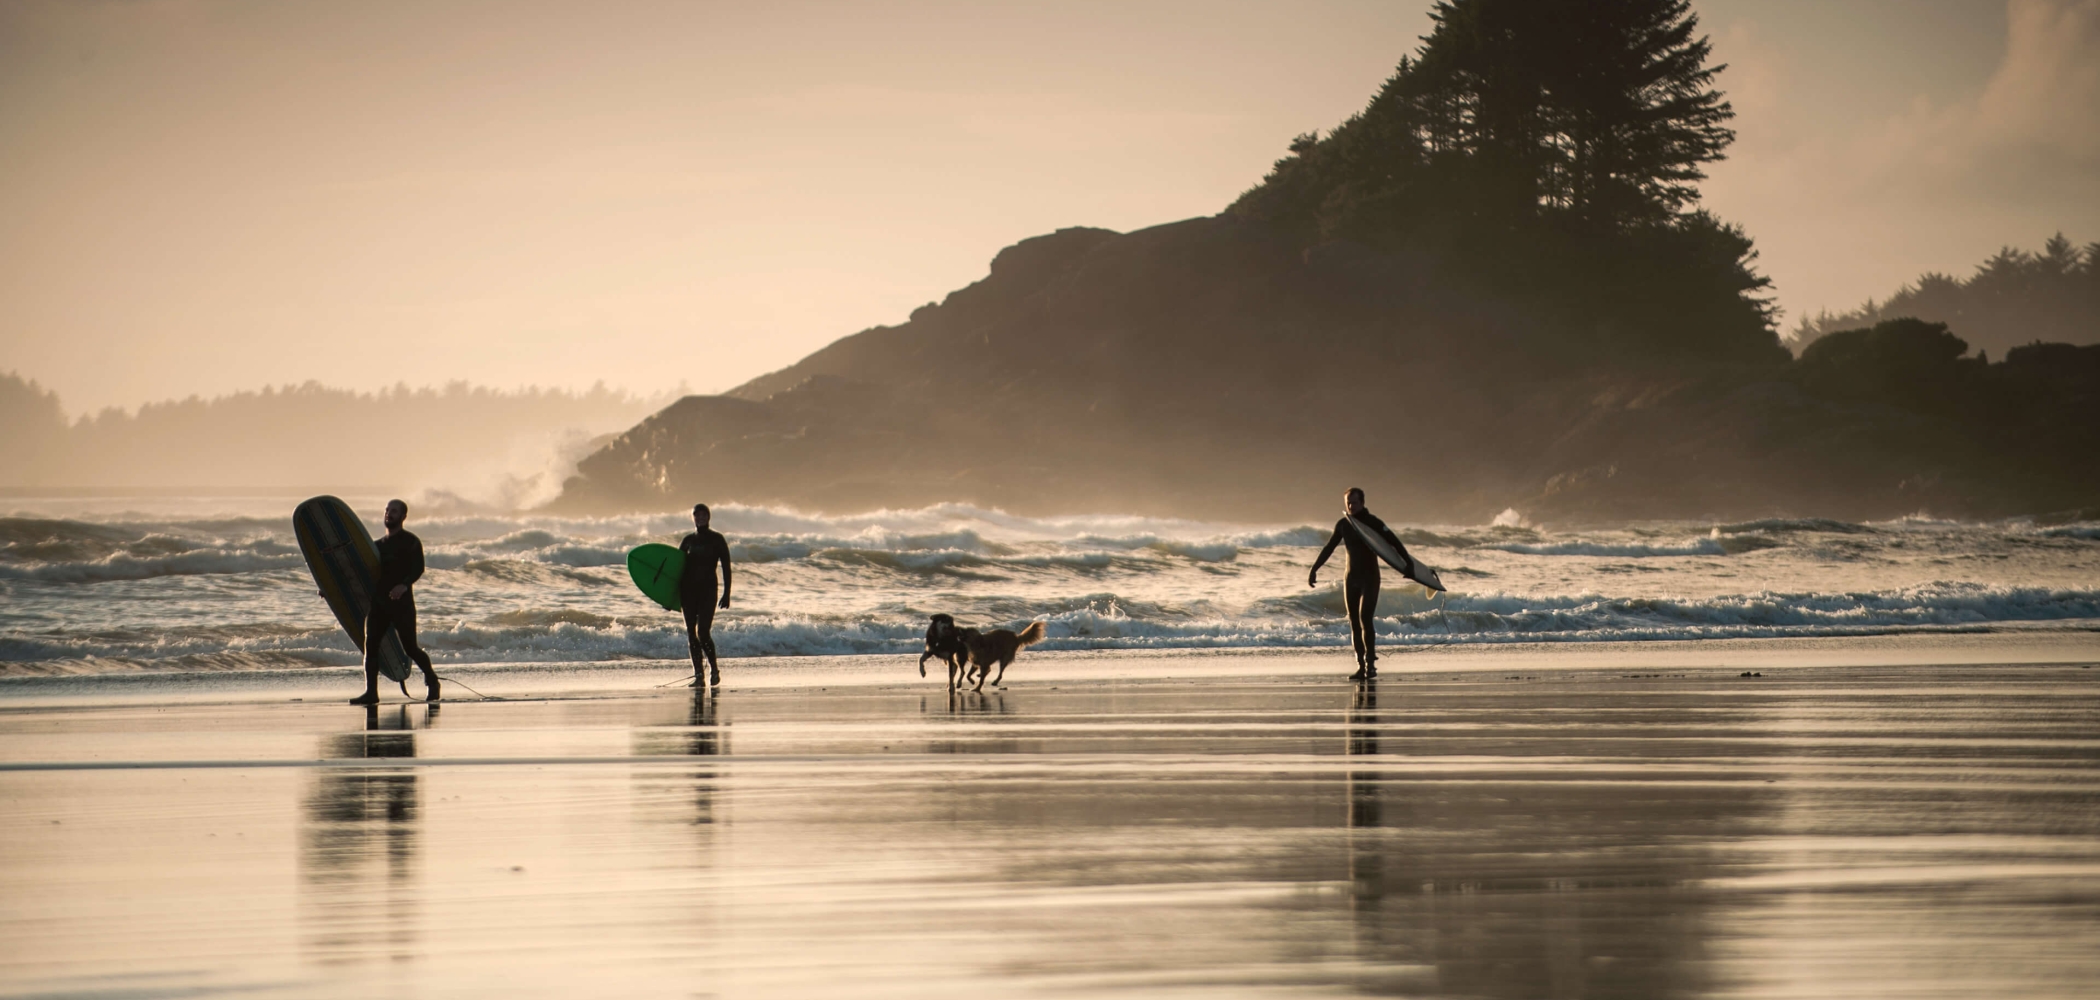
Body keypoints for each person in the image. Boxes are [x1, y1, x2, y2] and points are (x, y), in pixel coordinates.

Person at [1309, 487, 1408, 681]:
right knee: (1354, 622)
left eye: (1354, 502)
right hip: (1351, 579)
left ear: (1362, 502)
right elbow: (1329, 547)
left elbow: (1394, 543)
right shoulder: (1343, 525)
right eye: (1348, 503)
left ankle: (1371, 664)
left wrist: (1408, 565)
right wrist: (1315, 568)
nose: (1351, 506)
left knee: (1365, 618)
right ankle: (1360, 666)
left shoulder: (1373, 523)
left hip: (1370, 578)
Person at [351, 499, 440, 705]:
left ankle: (433, 681)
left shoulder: (411, 542)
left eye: (394, 511)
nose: (389, 514)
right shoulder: (376, 547)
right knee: (371, 646)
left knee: (410, 648)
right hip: (379, 604)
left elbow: (418, 568)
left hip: (402, 605)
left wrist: (404, 585)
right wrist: (330, 590)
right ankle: (371, 693)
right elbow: (360, 575)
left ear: (403, 516)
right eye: (387, 510)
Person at [679, 503, 733, 687]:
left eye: (703, 515)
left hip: (708, 591)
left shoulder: (717, 539)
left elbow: (726, 566)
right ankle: (699, 675)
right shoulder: (687, 541)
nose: (700, 518)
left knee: (703, 632)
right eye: (697, 515)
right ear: (693, 518)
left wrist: (727, 593)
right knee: (691, 634)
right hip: (687, 593)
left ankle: (714, 669)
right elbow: (675, 570)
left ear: (708, 517)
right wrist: (666, 596)